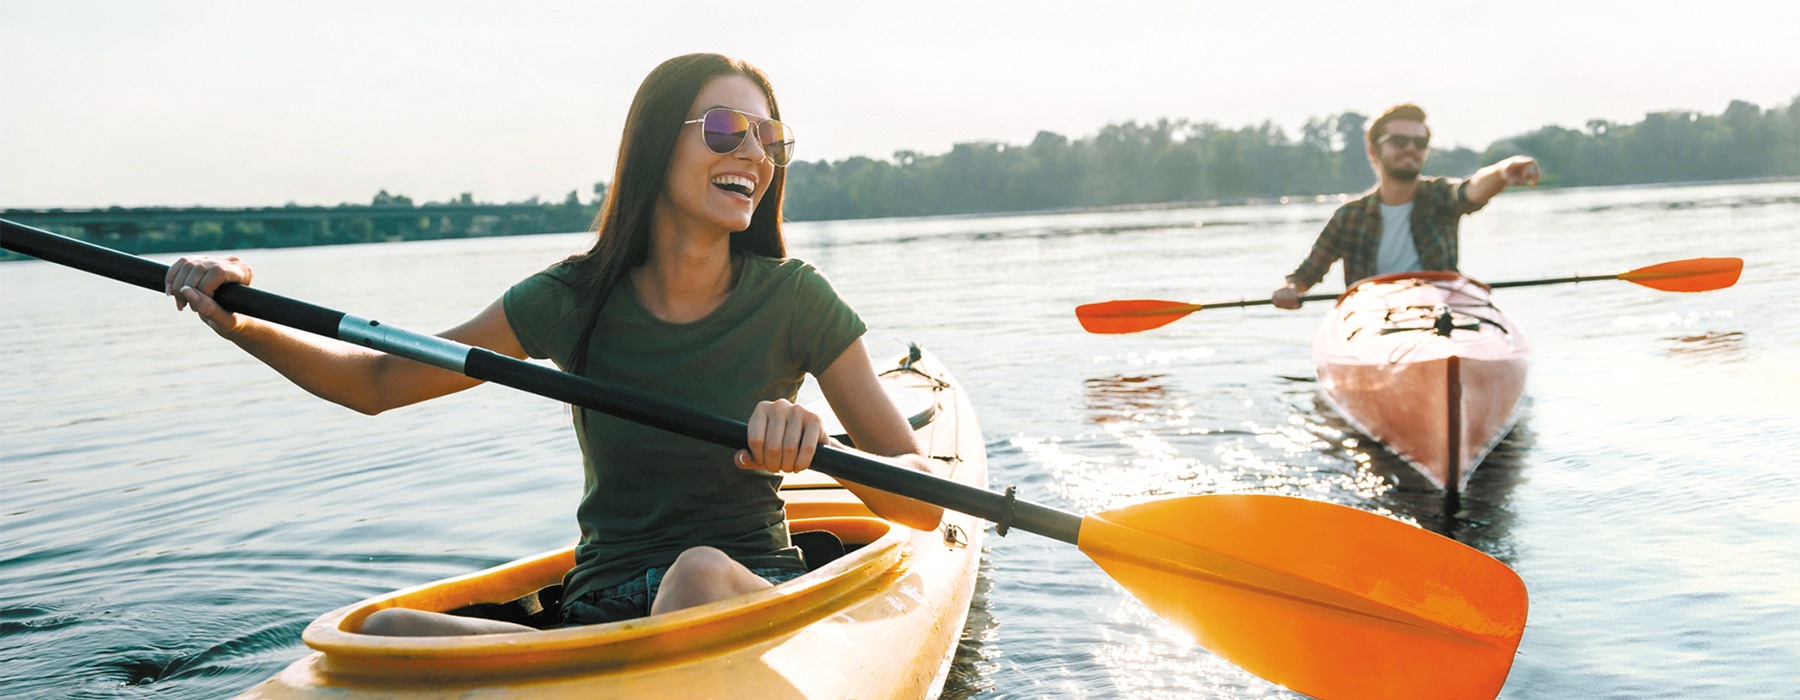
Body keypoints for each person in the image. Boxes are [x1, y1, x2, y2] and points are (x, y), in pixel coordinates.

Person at [162, 53, 945, 635]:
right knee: (379, 630)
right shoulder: (572, 297)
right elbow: (374, 381)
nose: (754, 153)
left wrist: (814, 446)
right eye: (724, 129)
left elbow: (917, 501)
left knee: (696, 573)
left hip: (740, 592)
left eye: (770, 138)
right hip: (597, 610)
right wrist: (240, 318)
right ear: (653, 145)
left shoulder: (796, 299)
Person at [1271, 103, 1542, 309]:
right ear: (1374, 151)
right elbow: (1305, 276)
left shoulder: (1440, 196)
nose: (1410, 148)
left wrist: (1503, 172)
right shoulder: (1348, 216)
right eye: (1399, 141)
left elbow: (1471, 190)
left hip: (1441, 311)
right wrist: (1290, 289)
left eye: (1419, 142)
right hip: (1372, 317)